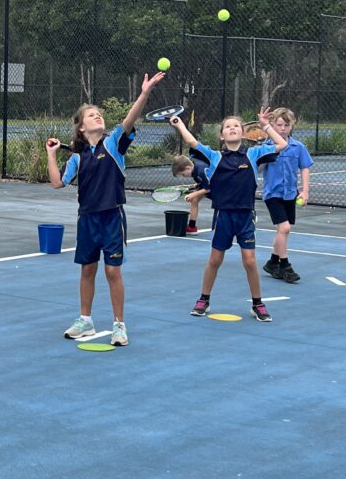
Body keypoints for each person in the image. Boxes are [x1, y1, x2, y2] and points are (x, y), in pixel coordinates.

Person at [46, 71, 166, 346]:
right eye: (91, 115)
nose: (97, 116)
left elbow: (129, 119)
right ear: (80, 128)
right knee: (87, 270)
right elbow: (56, 183)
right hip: (87, 219)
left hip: (112, 217)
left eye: (99, 114)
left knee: (113, 272)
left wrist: (144, 92)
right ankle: (85, 320)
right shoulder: (77, 156)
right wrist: (51, 155)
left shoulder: (113, 144)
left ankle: (119, 325)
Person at [169, 109, 287, 322]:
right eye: (228, 126)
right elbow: (193, 142)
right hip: (223, 216)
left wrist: (265, 125)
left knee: (250, 261)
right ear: (222, 135)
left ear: (243, 134)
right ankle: (203, 299)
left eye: (236, 126)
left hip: (245, 217)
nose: (232, 128)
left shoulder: (253, 154)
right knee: (215, 260)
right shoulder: (215, 157)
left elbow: (281, 145)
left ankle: (257, 303)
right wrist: (179, 125)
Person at [260, 107, 313, 283]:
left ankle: (272, 262)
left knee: (282, 231)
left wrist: (304, 191)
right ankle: (285, 266)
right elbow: (258, 168)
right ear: (272, 126)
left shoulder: (298, 147)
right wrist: (261, 158)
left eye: (286, 125)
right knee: (285, 228)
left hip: (290, 194)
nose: (282, 128)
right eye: (279, 125)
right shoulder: (267, 147)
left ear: (291, 126)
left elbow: (304, 168)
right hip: (272, 194)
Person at [171, 154, 211, 234]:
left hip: (224, 189)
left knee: (222, 209)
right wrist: (195, 188)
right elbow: (202, 183)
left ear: (188, 168)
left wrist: (194, 194)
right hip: (213, 186)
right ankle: (192, 227)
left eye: (183, 174)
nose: (183, 176)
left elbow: (210, 187)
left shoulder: (201, 170)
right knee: (194, 199)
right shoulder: (195, 171)